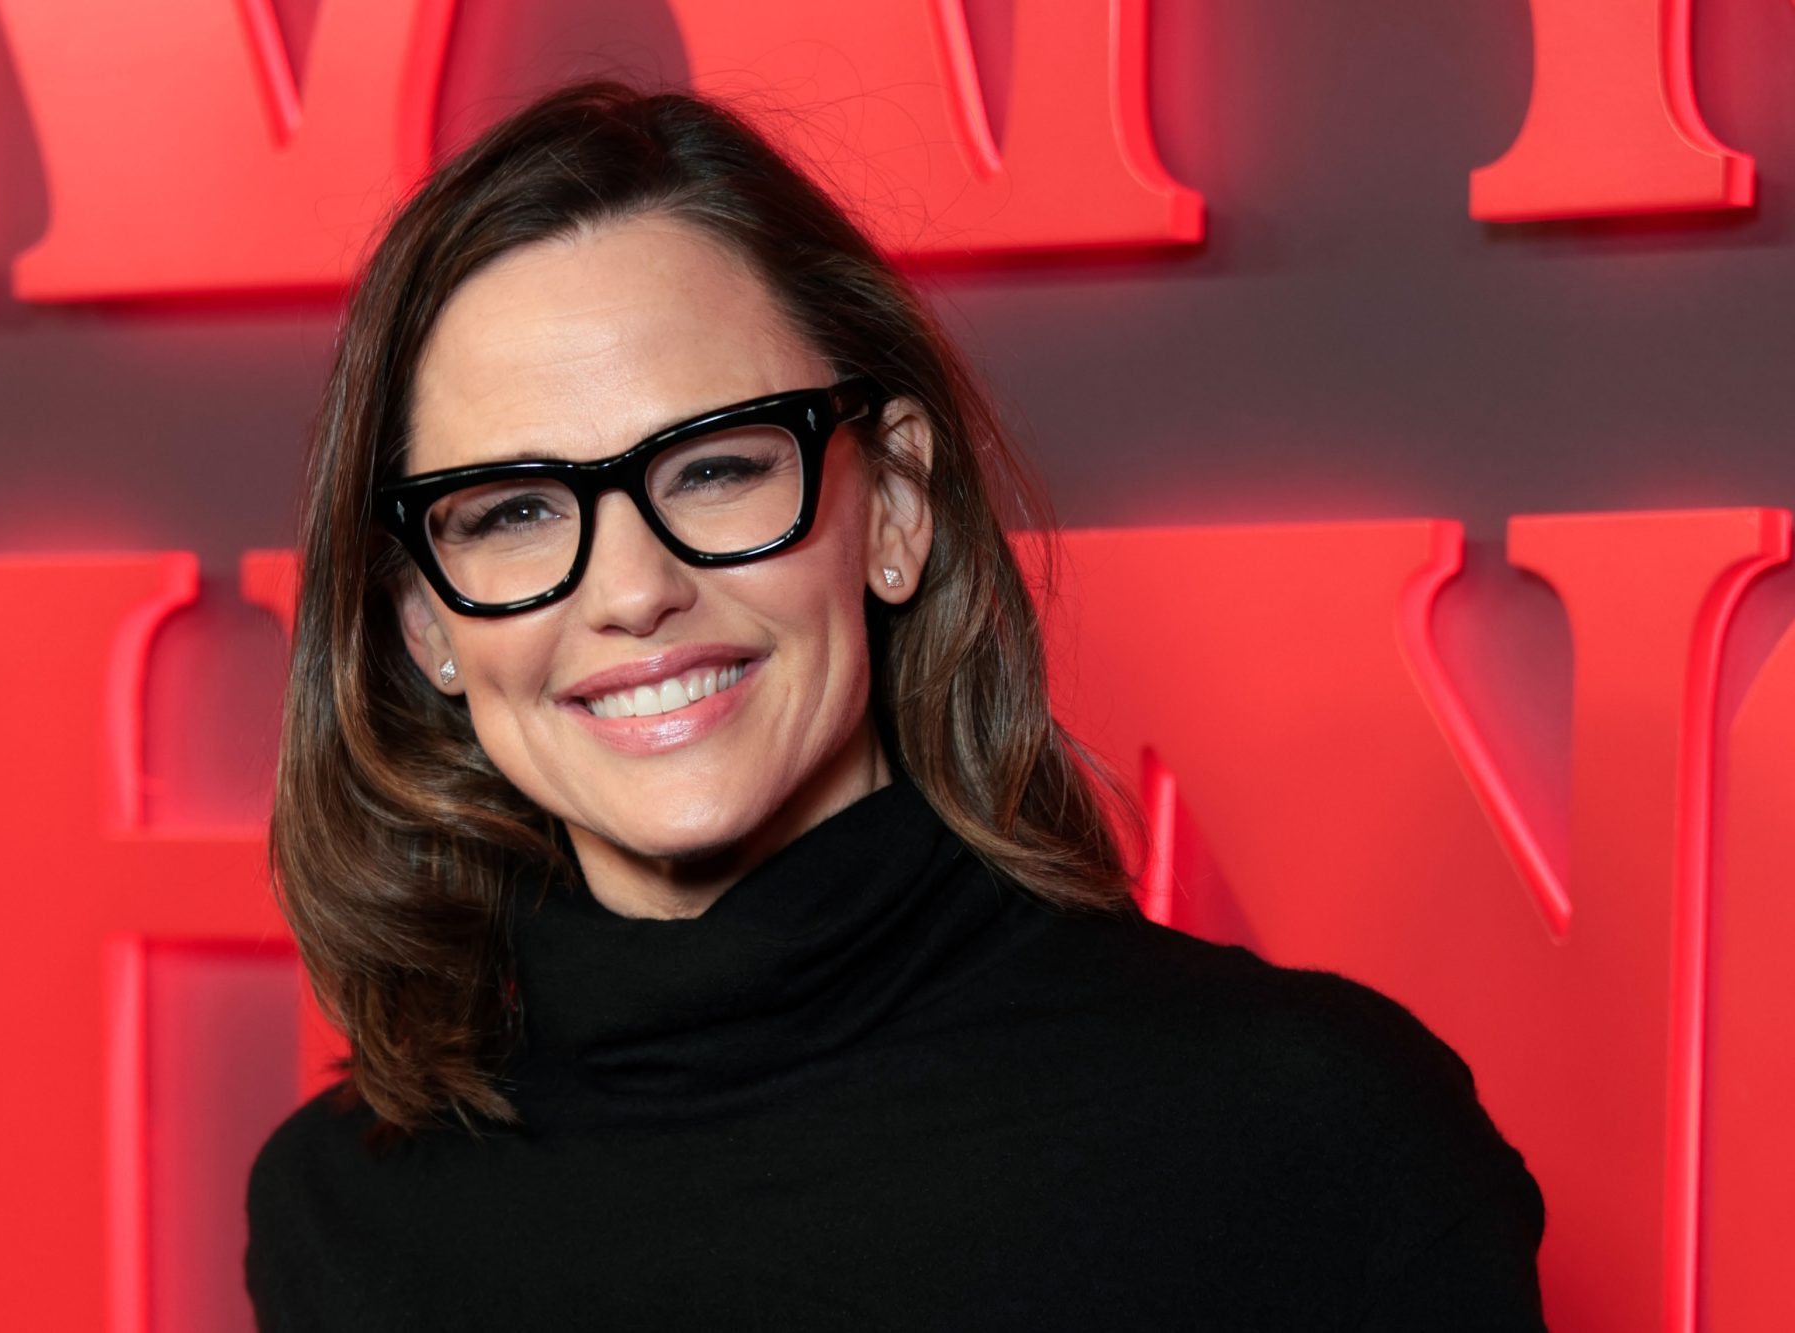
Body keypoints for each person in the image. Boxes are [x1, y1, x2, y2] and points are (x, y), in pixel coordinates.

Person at [245, 79, 1547, 1330]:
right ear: (427, 623)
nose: (633, 590)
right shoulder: (344, 1213)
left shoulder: (1307, 1127)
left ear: (899, 506)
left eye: (716, 468)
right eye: (516, 509)